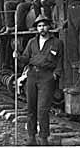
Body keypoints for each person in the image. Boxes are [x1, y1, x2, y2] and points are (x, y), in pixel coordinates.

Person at [18, 14, 63, 146]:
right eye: (39, 26)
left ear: (49, 27)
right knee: (31, 108)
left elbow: (60, 61)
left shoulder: (57, 43)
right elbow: (26, 58)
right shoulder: (32, 42)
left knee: (43, 109)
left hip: (47, 77)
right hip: (32, 76)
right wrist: (18, 56)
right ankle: (31, 137)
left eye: (44, 25)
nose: (42, 28)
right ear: (37, 28)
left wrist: (56, 74)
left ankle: (43, 138)